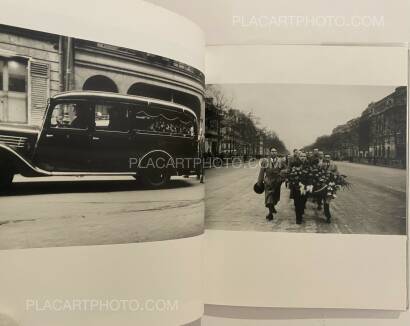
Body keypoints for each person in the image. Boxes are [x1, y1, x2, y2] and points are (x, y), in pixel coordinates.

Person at [257, 147, 286, 221]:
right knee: (269, 196)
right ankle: (270, 213)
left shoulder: (281, 161)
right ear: (270, 153)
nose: (274, 153)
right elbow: (262, 172)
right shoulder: (265, 161)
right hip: (268, 181)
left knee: (276, 196)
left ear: (277, 152)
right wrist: (259, 182)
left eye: (275, 151)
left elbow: (285, 169)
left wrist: (282, 176)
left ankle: (272, 206)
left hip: (277, 181)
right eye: (272, 151)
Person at [290, 152, 310, 224]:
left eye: (304, 156)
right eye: (301, 156)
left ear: (306, 157)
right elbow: (290, 173)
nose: (303, 157)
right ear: (299, 156)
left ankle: (301, 212)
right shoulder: (294, 163)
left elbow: (310, 175)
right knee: (297, 202)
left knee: (303, 201)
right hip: (296, 187)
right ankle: (298, 218)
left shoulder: (308, 165)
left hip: (305, 187)